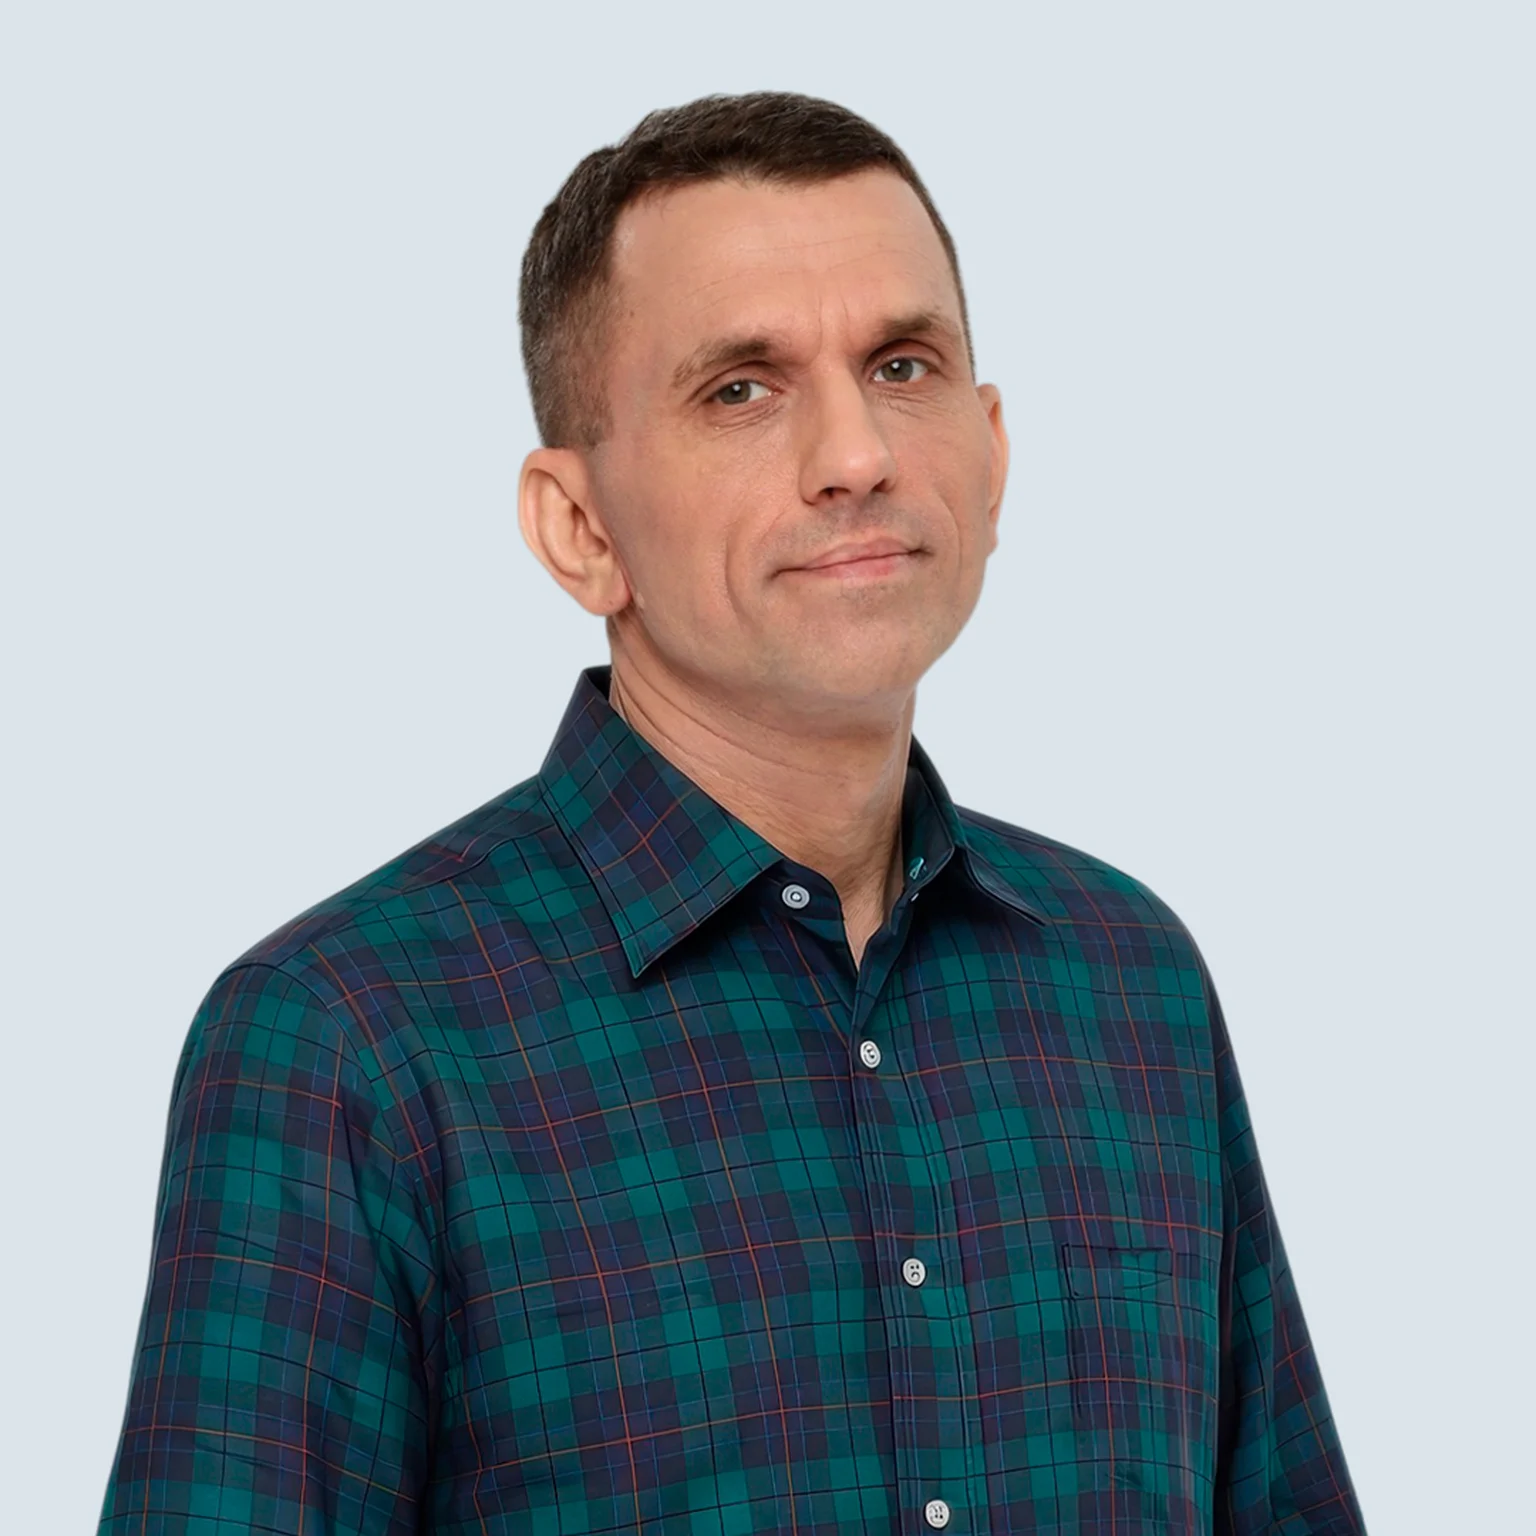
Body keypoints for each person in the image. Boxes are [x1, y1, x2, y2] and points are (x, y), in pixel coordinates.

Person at [98, 92, 1366, 1535]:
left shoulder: (1129, 983)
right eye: (742, 391)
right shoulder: (347, 1042)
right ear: (580, 527)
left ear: (993, 451)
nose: (856, 454)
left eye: (902, 365)